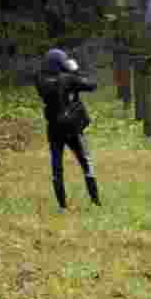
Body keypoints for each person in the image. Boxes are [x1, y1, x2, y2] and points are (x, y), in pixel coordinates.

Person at [34, 48, 101, 212]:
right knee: (86, 162)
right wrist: (76, 70)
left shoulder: (40, 80)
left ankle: (62, 206)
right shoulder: (69, 79)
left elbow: (51, 87)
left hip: (54, 128)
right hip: (72, 127)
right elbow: (92, 85)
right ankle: (95, 201)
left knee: (56, 167)